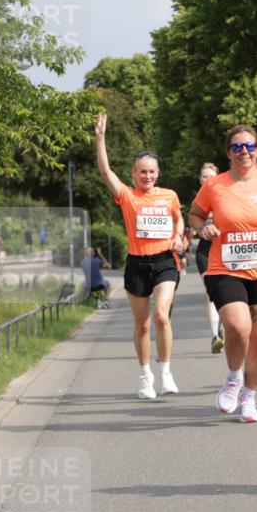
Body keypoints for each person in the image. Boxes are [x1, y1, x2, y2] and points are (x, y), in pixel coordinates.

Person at [188, 124, 257, 423]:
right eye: (237, 147)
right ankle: (234, 378)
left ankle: (249, 396)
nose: (244, 152)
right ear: (228, 152)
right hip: (225, 269)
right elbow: (195, 214)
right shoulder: (214, 185)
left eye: (249, 146)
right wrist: (202, 228)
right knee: (237, 327)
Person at [95, 112, 185, 399]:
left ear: (158, 173)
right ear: (134, 173)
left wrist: (178, 235)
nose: (147, 176)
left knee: (161, 316)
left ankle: (166, 373)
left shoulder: (168, 195)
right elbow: (106, 172)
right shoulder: (128, 196)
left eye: (152, 171)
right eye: (142, 171)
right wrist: (100, 139)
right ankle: (145, 376)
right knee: (143, 323)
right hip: (137, 264)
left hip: (164, 262)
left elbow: (178, 218)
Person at [194, 162, 225, 353]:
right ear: (200, 180)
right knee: (211, 293)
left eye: (211, 176)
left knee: (226, 294)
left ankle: (223, 327)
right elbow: (195, 223)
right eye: (204, 177)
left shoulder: (226, 196)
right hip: (206, 253)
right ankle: (215, 335)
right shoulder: (199, 202)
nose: (208, 180)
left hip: (226, 252)